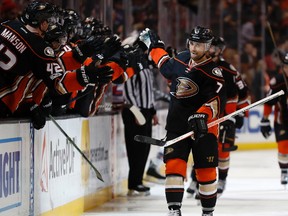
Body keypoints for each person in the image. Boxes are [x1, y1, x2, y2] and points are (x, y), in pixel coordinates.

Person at [139, 26, 226, 216]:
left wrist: (202, 114)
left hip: (205, 129)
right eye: (192, 43)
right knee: (173, 166)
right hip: (177, 126)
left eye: (200, 45)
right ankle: (174, 210)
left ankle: (208, 212)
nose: (194, 48)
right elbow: (164, 64)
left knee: (206, 172)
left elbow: (216, 101)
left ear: (209, 47)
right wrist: (154, 46)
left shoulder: (214, 72)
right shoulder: (181, 58)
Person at [0, 1, 113, 128]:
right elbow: (58, 82)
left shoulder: (7, 25)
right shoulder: (39, 48)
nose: (49, 24)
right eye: (48, 21)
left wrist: (78, 54)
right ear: (42, 23)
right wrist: (86, 76)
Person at [186, 36, 251, 198]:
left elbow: (241, 93)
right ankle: (196, 179)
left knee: (222, 149)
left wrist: (238, 114)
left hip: (224, 115)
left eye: (216, 47)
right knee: (200, 147)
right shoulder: (197, 66)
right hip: (205, 114)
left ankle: (222, 179)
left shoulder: (228, 70)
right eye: (211, 46)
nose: (212, 50)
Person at [121, 30, 159, 196]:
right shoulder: (131, 63)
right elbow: (128, 92)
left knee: (144, 148)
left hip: (145, 112)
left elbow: (148, 91)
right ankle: (134, 182)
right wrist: (137, 114)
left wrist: (152, 111)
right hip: (134, 112)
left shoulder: (144, 62)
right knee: (135, 148)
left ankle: (138, 181)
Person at [260, 51, 288, 187]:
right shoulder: (277, 81)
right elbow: (269, 102)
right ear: (283, 67)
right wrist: (264, 119)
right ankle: (284, 171)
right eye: (286, 67)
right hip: (281, 120)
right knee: (283, 146)